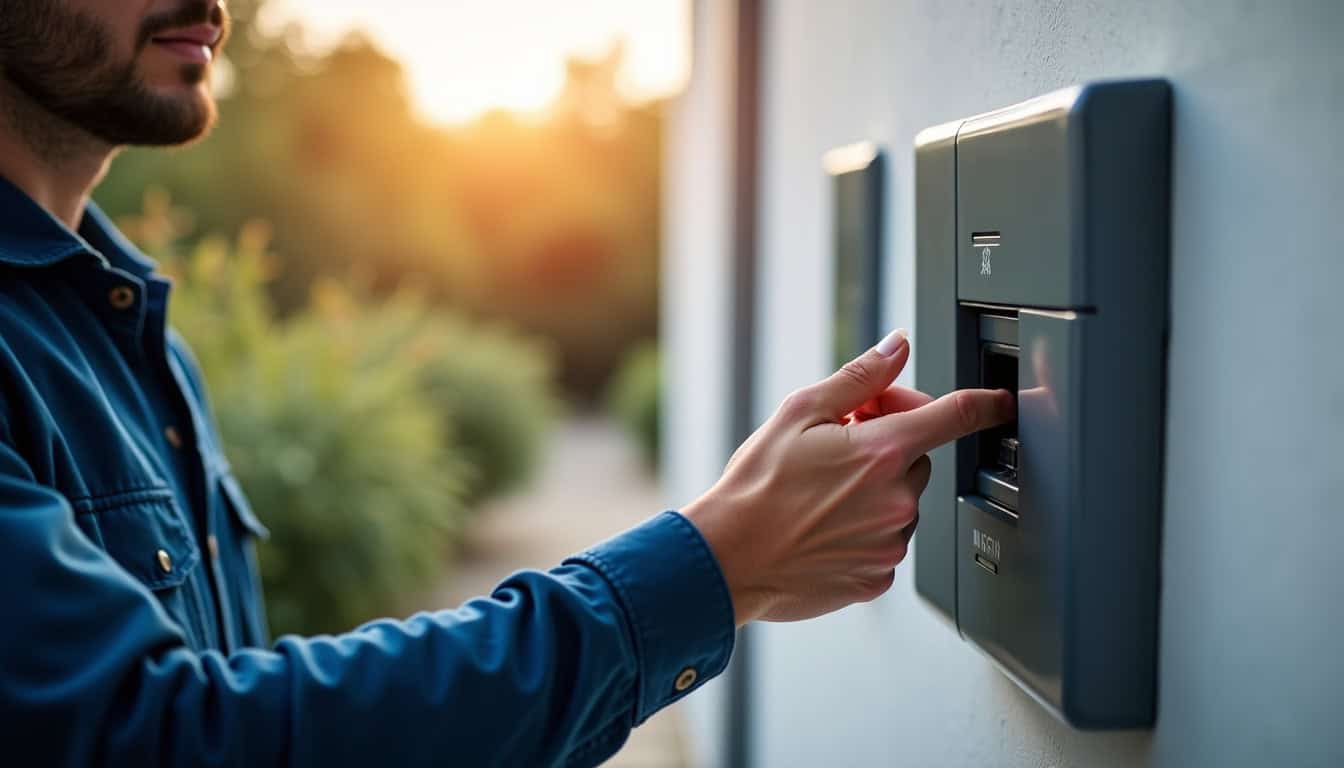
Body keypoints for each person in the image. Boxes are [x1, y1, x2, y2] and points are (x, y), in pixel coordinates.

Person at [0, 1, 1015, 765]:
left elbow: (237, 695)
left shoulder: (124, 320)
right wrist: (716, 566)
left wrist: (727, 567)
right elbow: (169, 739)